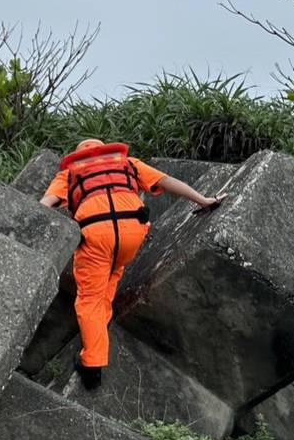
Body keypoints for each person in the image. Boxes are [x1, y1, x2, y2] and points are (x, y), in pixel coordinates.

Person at [40, 140, 223, 389]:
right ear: (102, 150)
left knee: (89, 299)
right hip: (132, 233)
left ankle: (92, 365)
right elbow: (168, 182)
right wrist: (204, 200)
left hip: (95, 234)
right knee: (109, 281)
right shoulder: (126, 163)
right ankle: (98, 337)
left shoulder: (70, 173)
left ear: (79, 156)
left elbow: (45, 205)